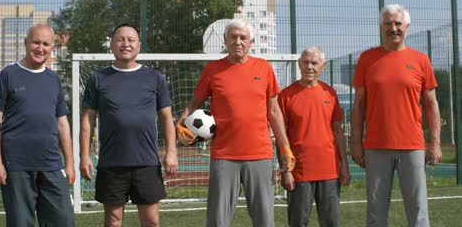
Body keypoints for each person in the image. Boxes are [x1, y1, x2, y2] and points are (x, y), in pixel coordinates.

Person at [176, 18, 295, 227]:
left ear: (251, 42)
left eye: (243, 38)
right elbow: (194, 103)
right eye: (233, 37)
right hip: (224, 155)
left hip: (260, 154)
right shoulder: (212, 70)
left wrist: (284, 146)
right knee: (217, 220)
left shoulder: (264, 68)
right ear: (225, 41)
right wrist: (181, 126)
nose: (238, 42)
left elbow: (274, 110)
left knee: (265, 219)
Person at [351, 4, 442, 227]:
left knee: (418, 211)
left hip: (412, 146)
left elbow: (432, 104)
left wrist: (435, 144)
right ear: (381, 27)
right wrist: (355, 144)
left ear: (407, 27)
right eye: (388, 23)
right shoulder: (367, 59)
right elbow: (359, 104)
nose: (393, 28)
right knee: (376, 213)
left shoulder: (421, 60)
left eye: (398, 23)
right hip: (375, 146)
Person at [80, 23, 178, 227]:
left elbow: (166, 117)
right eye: (120, 39)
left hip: (147, 162)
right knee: (113, 221)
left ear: (139, 45)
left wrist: (171, 151)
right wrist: (84, 155)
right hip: (112, 163)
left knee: (151, 221)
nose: (125, 44)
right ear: (112, 45)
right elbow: (88, 120)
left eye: (130, 40)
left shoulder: (155, 78)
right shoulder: (97, 79)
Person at [0, 24, 75, 227]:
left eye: (46, 44)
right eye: (36, 42)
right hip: (17, 166)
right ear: (26, 43)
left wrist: (70, 163)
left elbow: (62, 123)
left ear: (52, 47)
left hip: (51, 165)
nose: (41, 48)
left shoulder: (53, 79)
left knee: (64, 221)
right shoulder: (8, 74)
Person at [278, 46, 351, 226]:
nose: (309, 66)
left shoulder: (330, 93)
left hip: (330, 172)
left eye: (314, 63)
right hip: (299, 171)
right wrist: (286, 171)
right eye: (305, 62)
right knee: (298, 223)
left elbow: (338, 132)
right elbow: (282, 137)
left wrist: (345, 166)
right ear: (299, 64)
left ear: (323, 66)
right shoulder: (286, 96)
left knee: (330, 223)